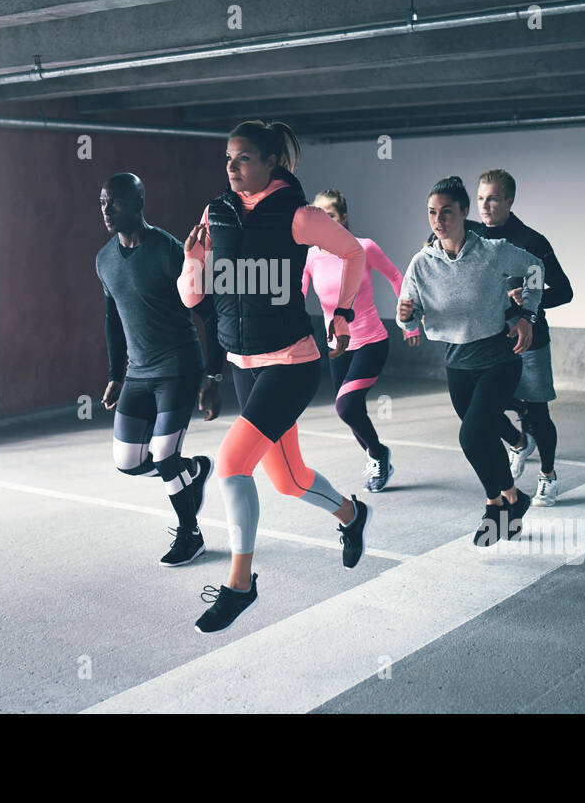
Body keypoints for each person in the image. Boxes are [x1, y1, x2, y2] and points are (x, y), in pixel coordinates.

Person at [178, 121, 371, 634]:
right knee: (287, 480)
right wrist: (192, 259)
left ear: (270, 163)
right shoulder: (213, 214)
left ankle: (241, 585)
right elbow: (192, 298)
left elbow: (353, 253)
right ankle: (352, 515)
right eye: (227, 159)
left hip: (291, 362)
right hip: (243, 365)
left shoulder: (301, 217)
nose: (231, 167)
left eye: (242, 158)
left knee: (232, 463)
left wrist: (343, 311)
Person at [399, 176, 544, 546]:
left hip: (498, 357)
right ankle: (511, 499)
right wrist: (405, 316)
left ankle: (495, 505)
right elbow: (410, 319)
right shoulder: (421, 263)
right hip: (457, 362)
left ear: (464, 212)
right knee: (482, 438)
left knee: (470, 435)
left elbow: (535, 268)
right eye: (432, 212)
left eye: (447, 211)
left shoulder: (493, 251)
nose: (438, 219)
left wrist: (527, 315)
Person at [97, 173, 224, 567]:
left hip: (178, 368)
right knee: (128, 462)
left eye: (114, 203)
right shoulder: (104, 259)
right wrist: (116, 374)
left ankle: (190, 535)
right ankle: (193, 471)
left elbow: (210, 314)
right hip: (137, 374)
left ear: (137, 203)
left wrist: (213, 376)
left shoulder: (169, 251)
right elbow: (113, 319)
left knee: (164, 453)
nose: (106, 210)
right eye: (102, 202)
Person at [469, 170, 574, 506]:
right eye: (481, 198)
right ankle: (517, 441)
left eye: (494, 198)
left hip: (528, 341)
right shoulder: (471, 237)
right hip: (488, 340)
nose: (485, 205)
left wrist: (529, 296)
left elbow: (564, 291)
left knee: (537, 412)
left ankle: (548, 476)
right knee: (479, 404)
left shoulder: (530, 241)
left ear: (509, 201)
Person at [302, 189, 417, 492]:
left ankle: (378, 454)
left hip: (371, 342)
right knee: (352, 410)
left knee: (345, 406)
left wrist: (408, 321)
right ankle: (378, 458)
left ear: (343, 217)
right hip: (336, 348)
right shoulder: (311, 257)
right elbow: (296, 297)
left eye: (330, 215)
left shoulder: (364, 248)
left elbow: (396, 277)